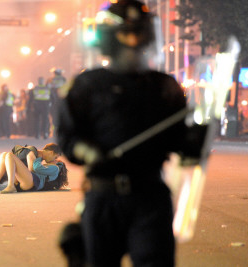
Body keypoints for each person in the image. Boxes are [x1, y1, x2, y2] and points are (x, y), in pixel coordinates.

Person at [57, 1, 200, 266]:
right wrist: (87, 151)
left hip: (150, 197)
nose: (133, 44)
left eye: (139, 34)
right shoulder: (86, 86)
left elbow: (180, 142)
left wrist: (195, 141)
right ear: (110, 39)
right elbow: (68, 138)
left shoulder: (164, 87)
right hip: (103, 197)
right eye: (126, 35)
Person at [47, 68, 66, 136]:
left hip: (53, 101)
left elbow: (48, 89)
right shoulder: (63, 79)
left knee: (53, 116)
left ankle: (54, 131)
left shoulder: (50, 80)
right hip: (61, 101)